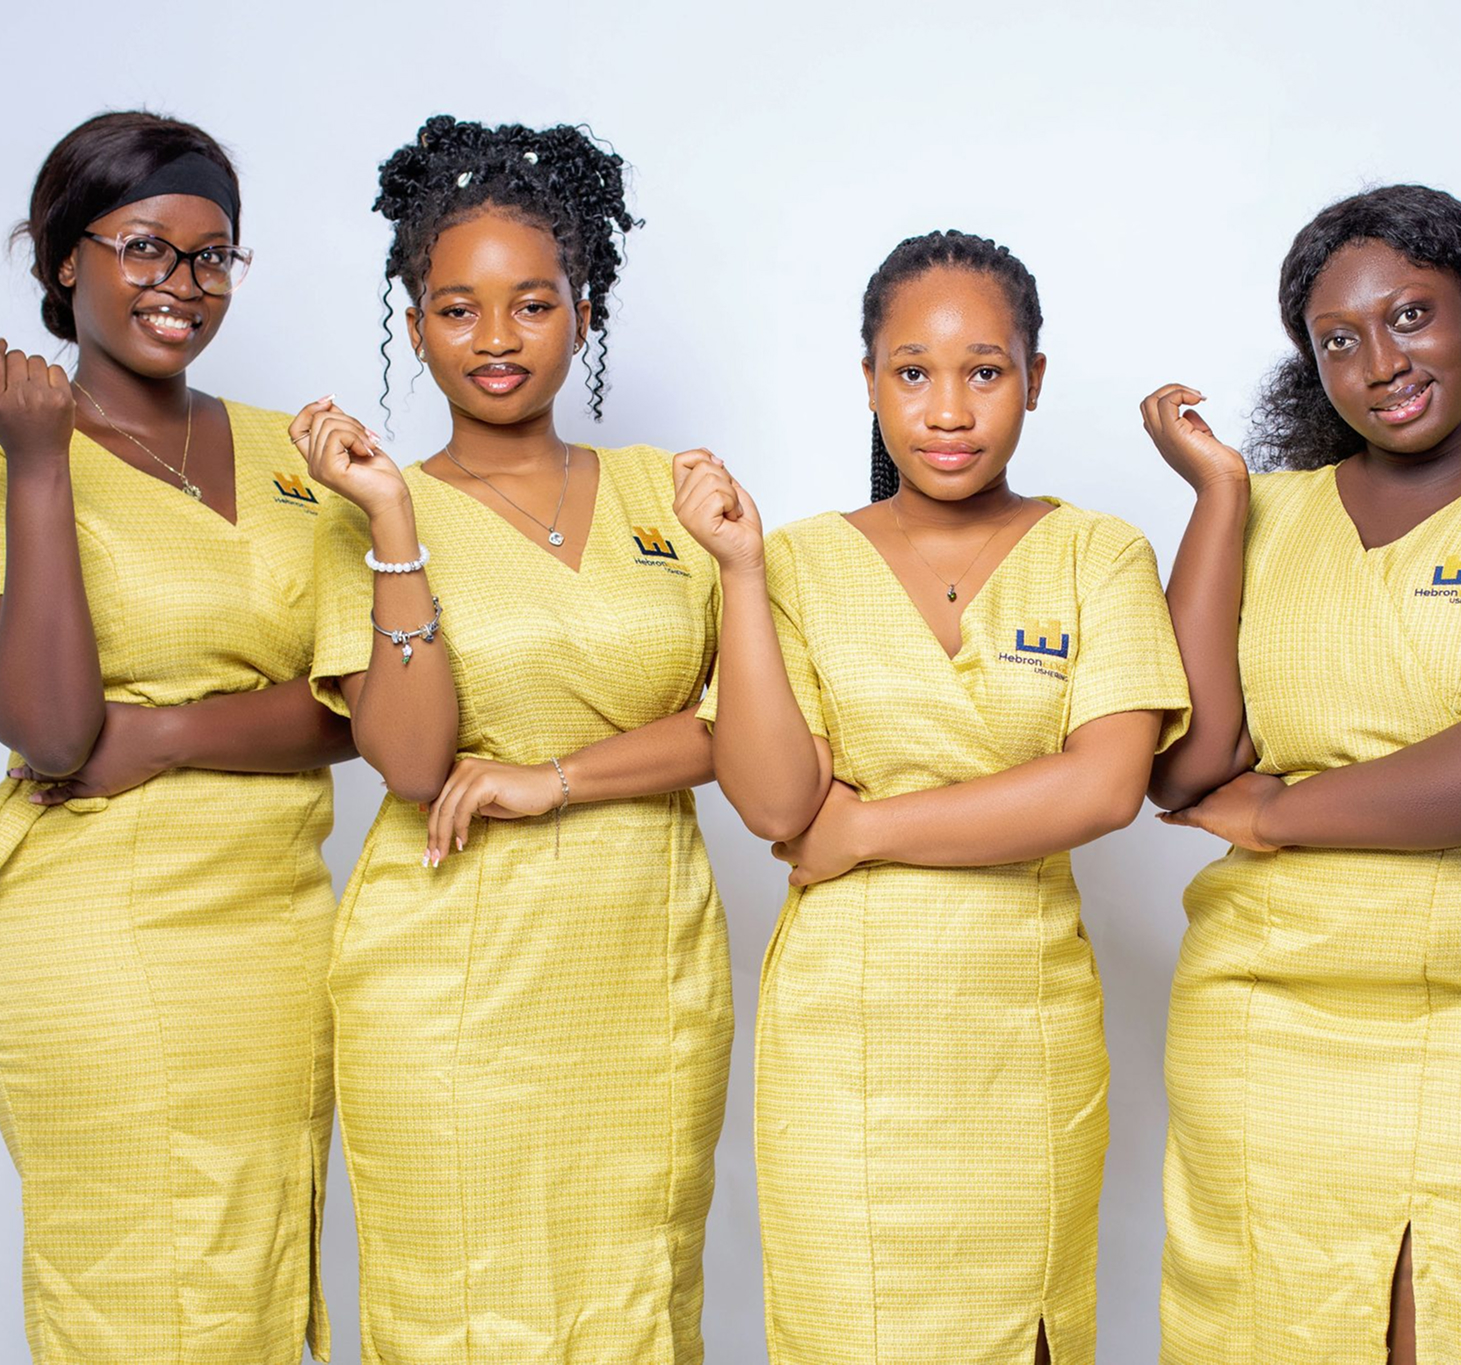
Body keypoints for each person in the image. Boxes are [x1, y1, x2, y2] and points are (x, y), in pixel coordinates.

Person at [1148, 184, 1461, 1364]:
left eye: (1409, 315)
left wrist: (1279, 812)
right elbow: (1184, 766)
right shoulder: (1264, 514)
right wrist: (1218, 500)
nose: (1379, 363)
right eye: (1336, 340)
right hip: (1264, 1012)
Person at [678, 229, 1188, 1364]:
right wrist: (742, 572)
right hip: (843, 1040)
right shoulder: (797, 560)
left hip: (1024, 1031)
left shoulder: (1098, 553)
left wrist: (865, 827)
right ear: (869, 381)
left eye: (984, 371)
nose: (948, 410)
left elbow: (1105, 785)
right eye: (912, 372)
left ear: (1035, 379)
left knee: (1024, 1329)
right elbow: (776, 804)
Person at [296, 115, 731, 1365]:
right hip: (450, 985)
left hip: (644, 981)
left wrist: (558, 779)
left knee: (635, 1306)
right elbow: (411, 764)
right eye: (457, 309)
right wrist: (393, 520)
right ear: (415, 324)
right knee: (460, 1315)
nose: (495, 339)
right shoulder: (370, 514)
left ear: (583, 313)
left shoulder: (668, 493)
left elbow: (737, 727)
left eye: (532, 304)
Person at [0, 110, 354, 1363]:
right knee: (141, 1289)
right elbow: (52, 732)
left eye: (212, 256)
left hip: (279, 928)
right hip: (103, 926)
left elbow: (357, 705)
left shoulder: (289, 453)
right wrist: (38, 465)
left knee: (251, 1276)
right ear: (64, 258)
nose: (182, 285)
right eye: (146, 247)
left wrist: (157, 737)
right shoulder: (16, 452)